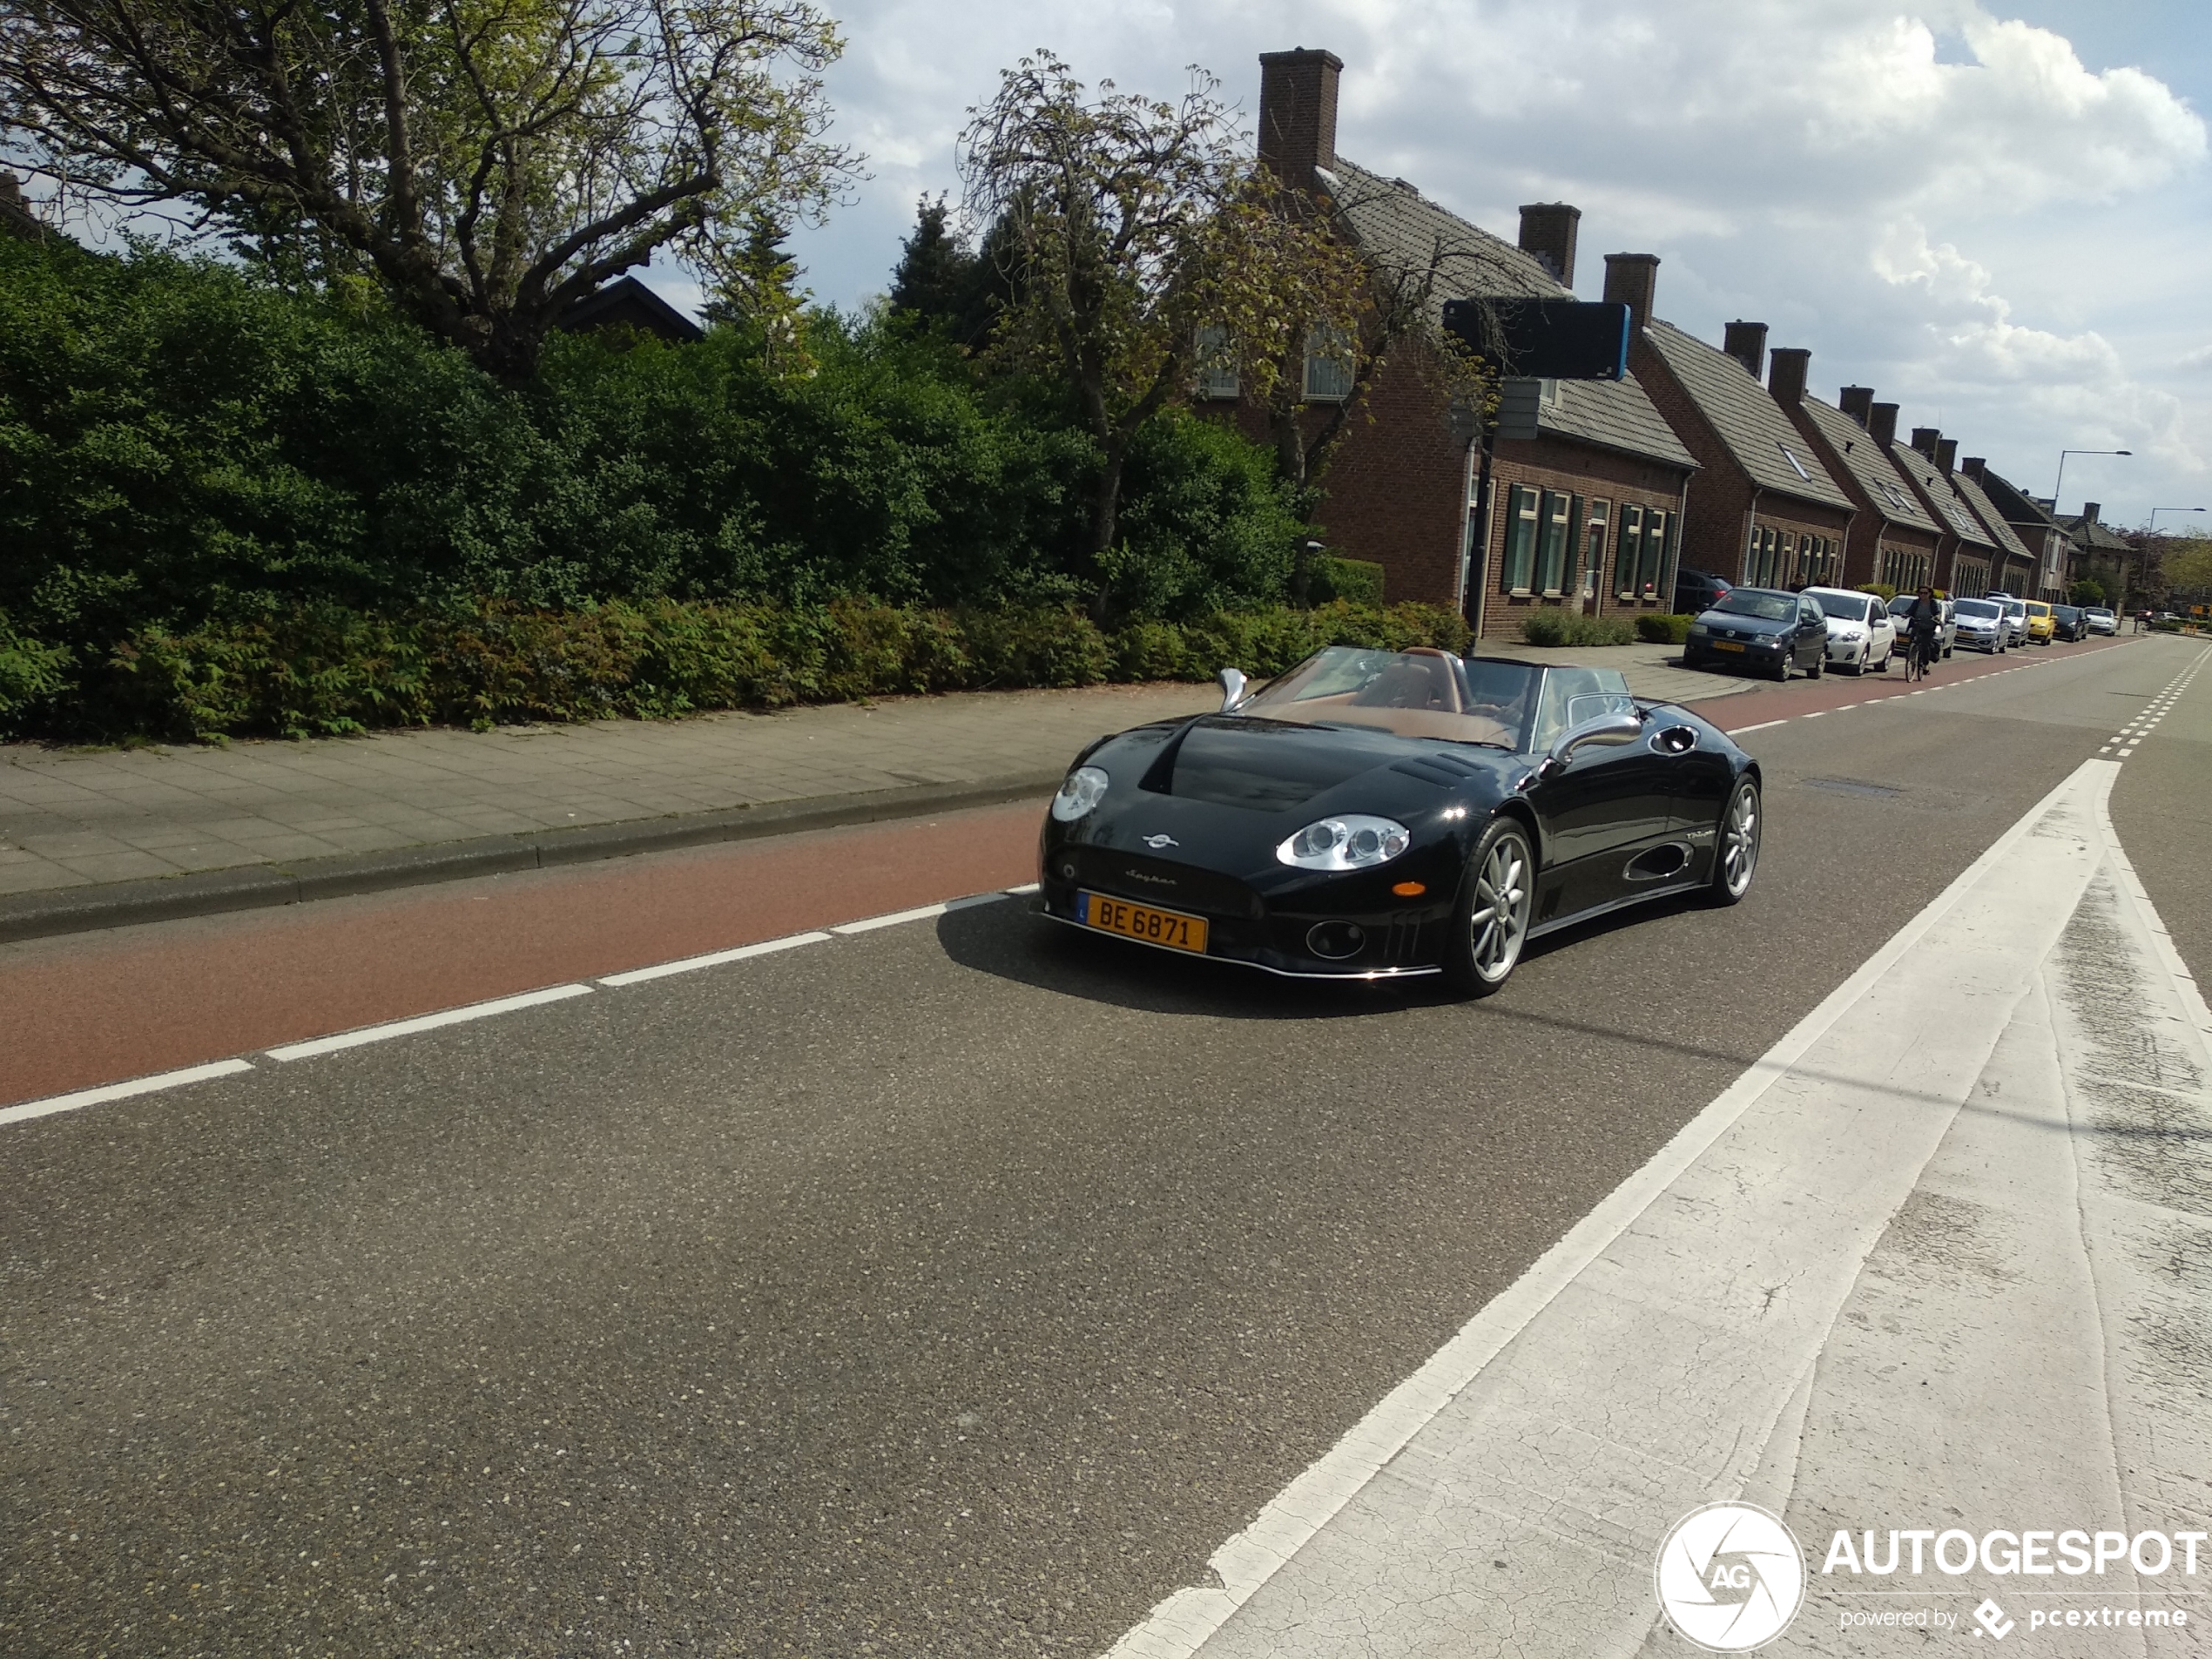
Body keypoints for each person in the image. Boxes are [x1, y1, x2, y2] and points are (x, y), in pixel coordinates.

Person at [1903, 585, 1943, 674]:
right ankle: (1911, 656)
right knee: (1912, 640)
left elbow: (1937, 612)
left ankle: (1925, 664)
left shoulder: (1933, 603)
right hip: (1917, 625)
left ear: (1930, 594)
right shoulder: (1916, 602)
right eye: (1921, 593)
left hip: (1928, 627)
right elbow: (1910, 611)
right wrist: (1905, 614)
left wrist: (1936, 617)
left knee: (1925, 646)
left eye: (1925, 593)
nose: (1923, 595)